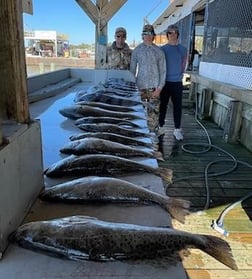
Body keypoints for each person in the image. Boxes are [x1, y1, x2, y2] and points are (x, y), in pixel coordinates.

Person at [130, 24, 166, 136]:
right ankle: (139, 134)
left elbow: (163, 71)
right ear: (142, 36)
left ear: (154, 36)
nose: (148, 36)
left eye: (150, 34)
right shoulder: (137, 50)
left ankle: (153, 133)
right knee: (138, 111)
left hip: (154, 88)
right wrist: (134, 87)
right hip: (140, 87)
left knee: (154, 112)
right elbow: (132, 70)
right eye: (145, 34)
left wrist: (159, 88)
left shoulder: (159, 51)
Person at [158, 24, 187, 140]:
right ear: (167, 35)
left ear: (178, 34)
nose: (172, 34)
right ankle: (160, 127)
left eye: (175, 32)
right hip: (164, 82)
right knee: (162, 106)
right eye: (170, 32)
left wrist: (179, 76)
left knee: (177, 107)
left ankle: (177, 129)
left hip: (177, 82)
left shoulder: (183, 49)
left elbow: (183, 65)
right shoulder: (162, 49)